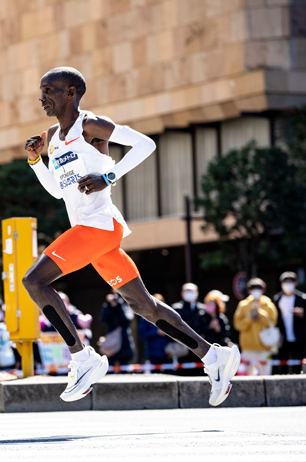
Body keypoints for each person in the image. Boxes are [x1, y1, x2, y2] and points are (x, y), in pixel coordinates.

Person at [21, 66, 240, 406]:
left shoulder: (90, 126)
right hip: (92, 234)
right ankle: (213, 356)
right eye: (41, 91)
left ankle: (82, 358)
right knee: (143, 306)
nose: (41, 97)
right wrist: (36, 162)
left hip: (98, 226)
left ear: (71, 93)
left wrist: (108, 177)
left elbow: (145, 144)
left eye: (49, 90)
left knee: (35, 281)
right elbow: (57, 191)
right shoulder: (53, 135)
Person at [234, 278, 278, 376]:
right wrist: (249, 319)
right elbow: (237, 324)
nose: (256, 291)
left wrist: (261, 314)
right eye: (253, 289)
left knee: (266, 374)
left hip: (265, 346)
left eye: (259, 289)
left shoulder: (268, 304)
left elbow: (273, 323)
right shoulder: (243, 305)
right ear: (249, 290)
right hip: (248, 346)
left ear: (263, 290)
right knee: (249, 376)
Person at [169, 283, 210, 375]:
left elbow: (206, 328)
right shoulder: (176, 308)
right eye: (187, 291)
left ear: (197, 293)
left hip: (201, 347)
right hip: (184, 348)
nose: (190, 293)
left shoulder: (203, 309)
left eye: (192, 291)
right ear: (182, 293)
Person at [273, 272, 306, 374]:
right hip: (283, 337)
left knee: (298, 364)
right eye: (285, 282)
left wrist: (302, 314)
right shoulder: (278, 299)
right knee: (283, 363)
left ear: (295, 283)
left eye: (290, 282)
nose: (287, 285)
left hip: (299, 337)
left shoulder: (302, 299)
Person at [99, 292, 134, 367]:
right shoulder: (108, 306)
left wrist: (119, 305)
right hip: (112, 341)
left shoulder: (126, 306)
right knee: (110, 367)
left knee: (124, 366)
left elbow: (126, 319)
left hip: (124, 340)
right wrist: (109, 305)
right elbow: (102, 319)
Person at [138, 293, 171, 368]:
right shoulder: (145, 317)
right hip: (153, 352)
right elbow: (142, 334)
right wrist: (156, 332)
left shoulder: (168, 316)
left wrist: (168, 332)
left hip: (168, 351)